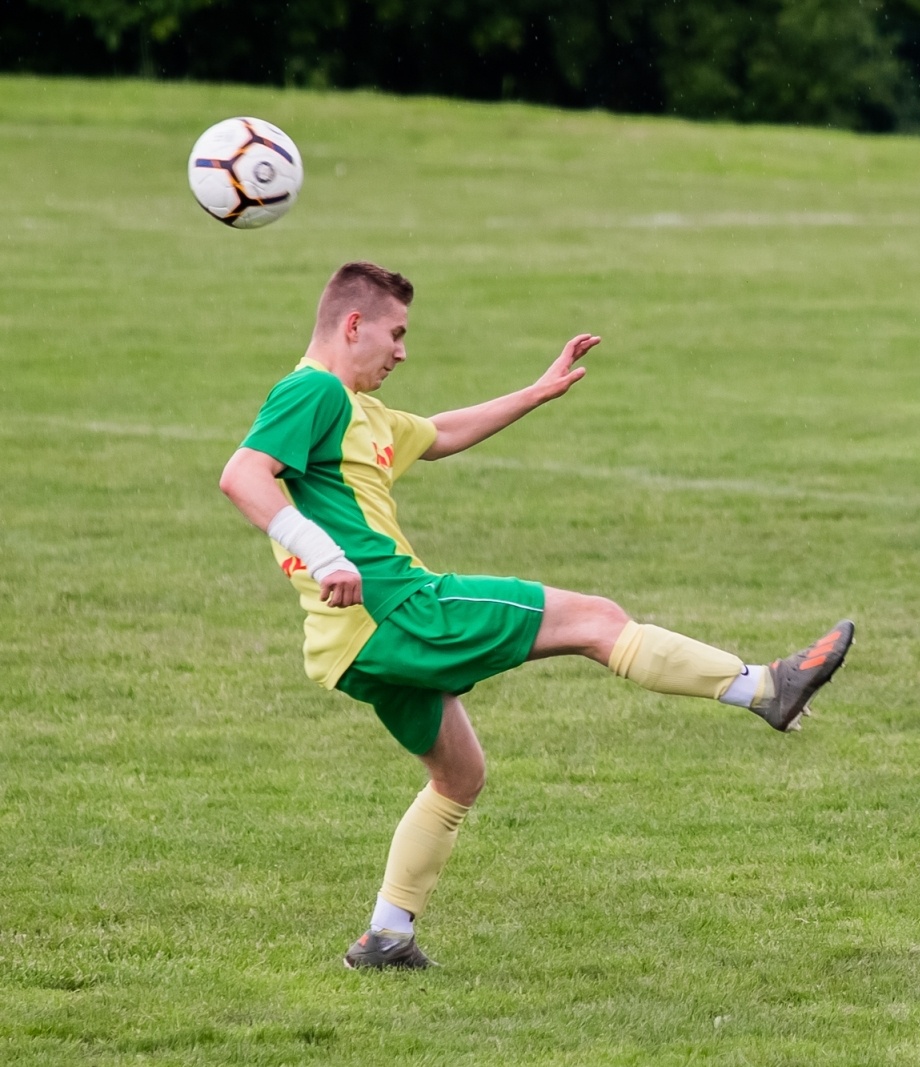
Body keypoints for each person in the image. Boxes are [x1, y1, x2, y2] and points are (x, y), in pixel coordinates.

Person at [219, 261, 854, 969]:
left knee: (459, 777)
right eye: (395, 334)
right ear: (353, 324)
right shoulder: (311, 390)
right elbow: (242, 473)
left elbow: (440, 432)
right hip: (397, 608)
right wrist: (325, 555)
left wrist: (535, 392)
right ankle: (767, 688)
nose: (402, 351)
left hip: (351, 645)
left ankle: (387, 937)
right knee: (595, 618)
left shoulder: (357, 409)